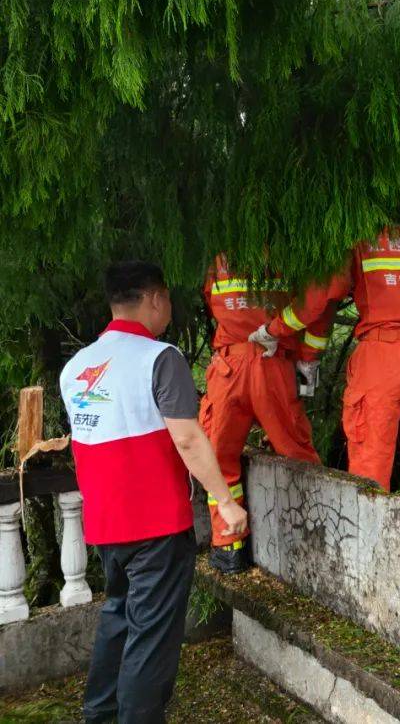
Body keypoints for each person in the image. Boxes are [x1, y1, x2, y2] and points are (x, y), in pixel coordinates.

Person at [59, 261, 247, 723]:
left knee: (119, 616)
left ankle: (98, 714)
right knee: (152, 639)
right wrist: (225, 500)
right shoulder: (160, 358)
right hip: (156, 527)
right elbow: (187, 437)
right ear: (156, 298)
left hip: (105, 527)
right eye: (166, 300)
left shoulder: (76, 367)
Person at [249, 226, 400, 497]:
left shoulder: (361, 247)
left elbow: (318, 301)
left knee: (370, 471)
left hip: (380, 358)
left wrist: (274, 330)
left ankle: (368, 537)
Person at [200, 254, 334, 573]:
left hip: (228, 368)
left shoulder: (218, 259)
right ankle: (316, 536)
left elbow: (212, 301)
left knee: (218, 457)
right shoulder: (288, 253)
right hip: (271, 364)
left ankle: (229, 546)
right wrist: (307, 360)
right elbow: (317, 311)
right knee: (296, 452)